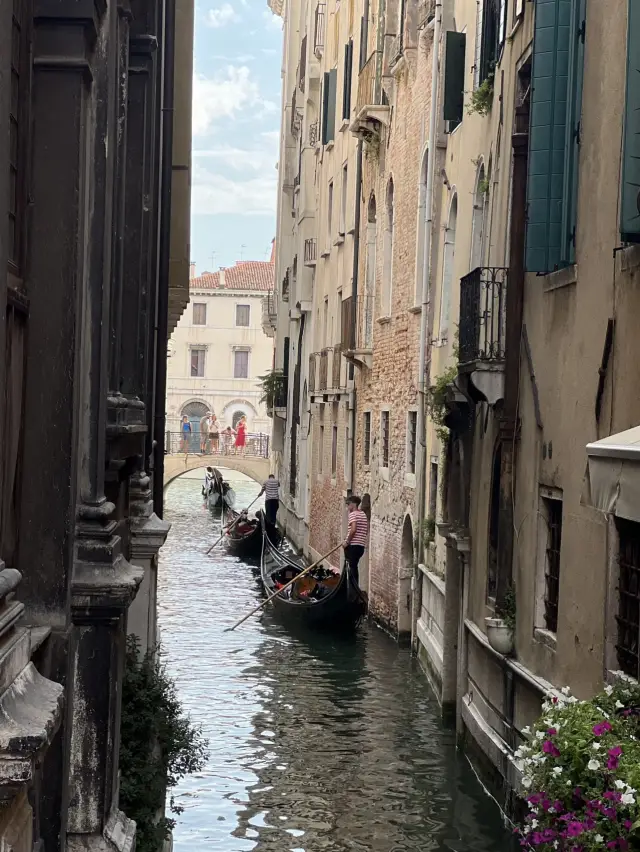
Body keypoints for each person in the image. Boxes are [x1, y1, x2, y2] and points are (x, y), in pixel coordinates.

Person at [342, 495, 368, 585]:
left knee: (351, 569)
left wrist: (346, 541)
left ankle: (352, 593)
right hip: (360, 547)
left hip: (352, 546)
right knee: (354, 568)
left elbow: (353, 529)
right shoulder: (363, 514)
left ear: (353, 504)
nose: (347, 507)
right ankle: (353, 592)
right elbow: (365, 531)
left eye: (348, 504)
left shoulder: (353, 514)